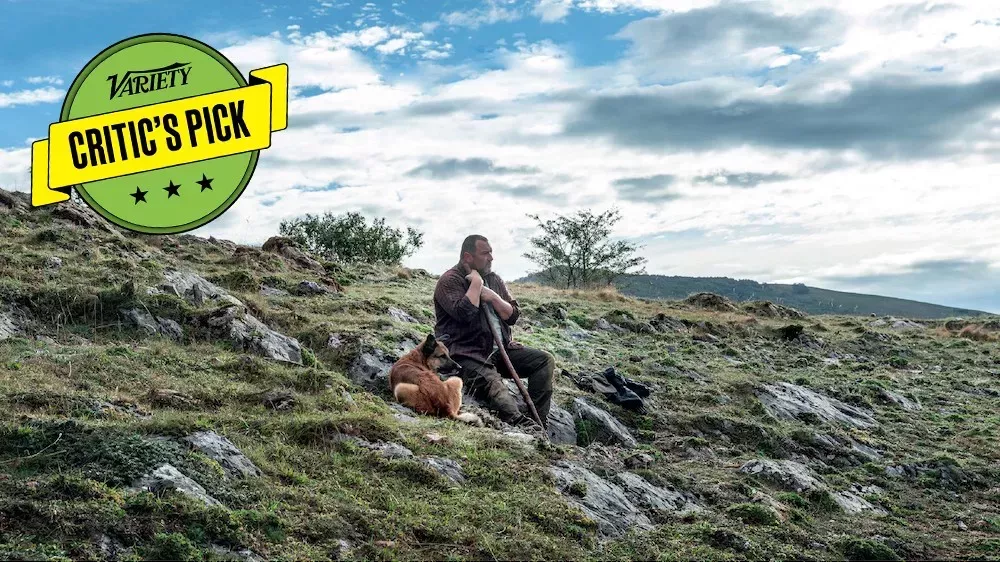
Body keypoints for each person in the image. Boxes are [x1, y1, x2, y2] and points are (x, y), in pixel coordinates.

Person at [433, 234, 555, 430]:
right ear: (467, 257)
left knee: (544, 361)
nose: (491, 257)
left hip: (500, 351)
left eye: (491, 252)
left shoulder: (495, 280)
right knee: (493, 382)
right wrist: (475, 284)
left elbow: (512, 316)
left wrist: (494, 298)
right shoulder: (449, 281)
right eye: (485, 253)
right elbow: (464, 314)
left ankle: (538, 419)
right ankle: (522, 426)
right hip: (465, 354)